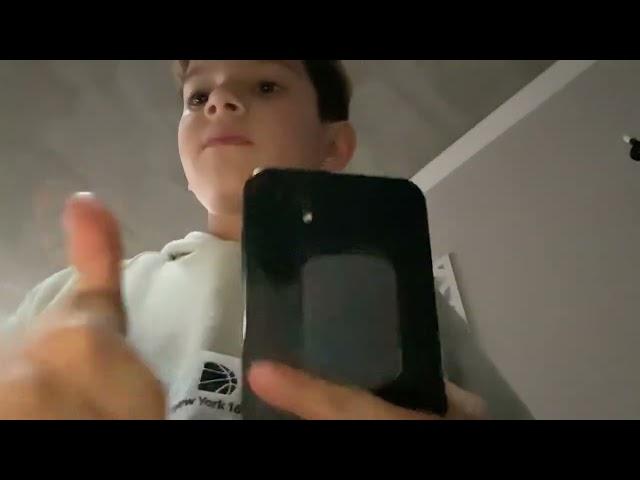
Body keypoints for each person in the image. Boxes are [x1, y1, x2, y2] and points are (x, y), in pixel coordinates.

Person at [0, 60, 488, 420]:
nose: (219, 101)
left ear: (333, 145)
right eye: (198, 97)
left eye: (265, 85)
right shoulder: (65, 300)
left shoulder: (408, 299)